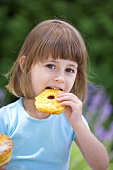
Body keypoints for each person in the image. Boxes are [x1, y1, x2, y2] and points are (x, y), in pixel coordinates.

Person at [0, 19, 109, 170]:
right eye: (51, 66)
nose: (61, 78)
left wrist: (78, 124)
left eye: (69, 70)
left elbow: (101, 165)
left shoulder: (71, 120)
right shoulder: (6, 118)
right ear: (25, 65)